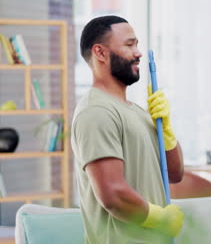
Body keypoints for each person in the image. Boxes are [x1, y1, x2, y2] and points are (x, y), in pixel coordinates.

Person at [71, 15, 185, 244]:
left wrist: (167, 131)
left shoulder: (138, 112)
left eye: (137, 44)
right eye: (129, 44)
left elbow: (174, 173)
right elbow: (113, 195)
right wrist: (160, 218)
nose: (139, 53)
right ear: (100, 53)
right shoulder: (96, 112)